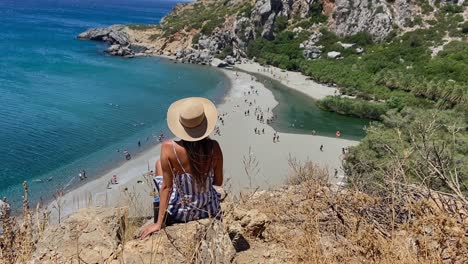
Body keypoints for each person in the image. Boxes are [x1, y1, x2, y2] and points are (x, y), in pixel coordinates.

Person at [140, 97, 223, 239]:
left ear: (181, 126)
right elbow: (218, 182)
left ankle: (157, 212)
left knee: (159, 164)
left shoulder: (168, 148)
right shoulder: (214, 147)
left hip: (180, 212)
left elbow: (167, 187)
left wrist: (159, 223)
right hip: (207, 209)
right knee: (164, 166)